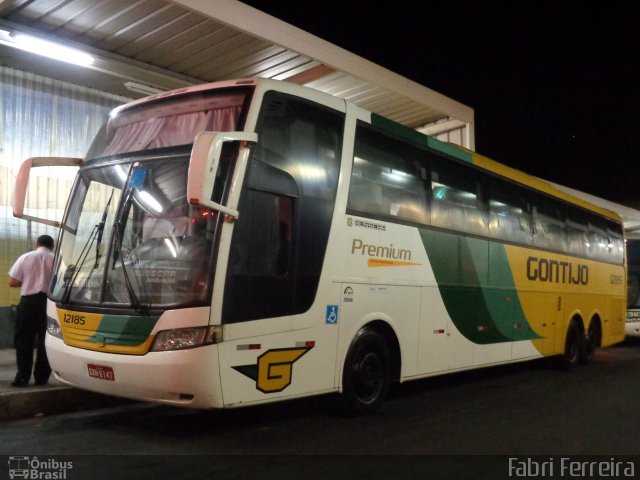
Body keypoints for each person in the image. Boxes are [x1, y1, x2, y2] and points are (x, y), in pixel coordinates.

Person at [7, 234, 55, 387]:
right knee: (46, 341)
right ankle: (41, 378)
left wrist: (29, 281)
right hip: (49, 303)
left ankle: (22, 377)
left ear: (37, 244)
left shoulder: (25, 257)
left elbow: (12, 282)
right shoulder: (57, 259)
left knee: (24, 340)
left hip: (28, 303)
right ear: (52, 246)